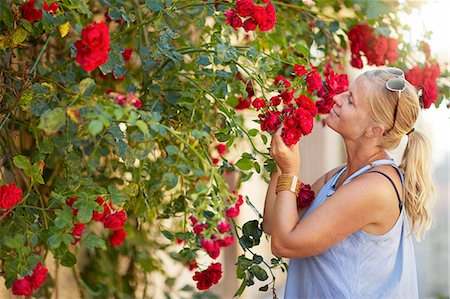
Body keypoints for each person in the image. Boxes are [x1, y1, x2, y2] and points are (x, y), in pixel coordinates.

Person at [263, 68, 435, 298]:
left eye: (351, 100)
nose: (336, 98)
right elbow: (274, 225)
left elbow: (284, 245)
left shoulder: (376, 189)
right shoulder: (340, 176)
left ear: (374, 130)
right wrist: (281, 162)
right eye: (347, 92)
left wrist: (289, 170)